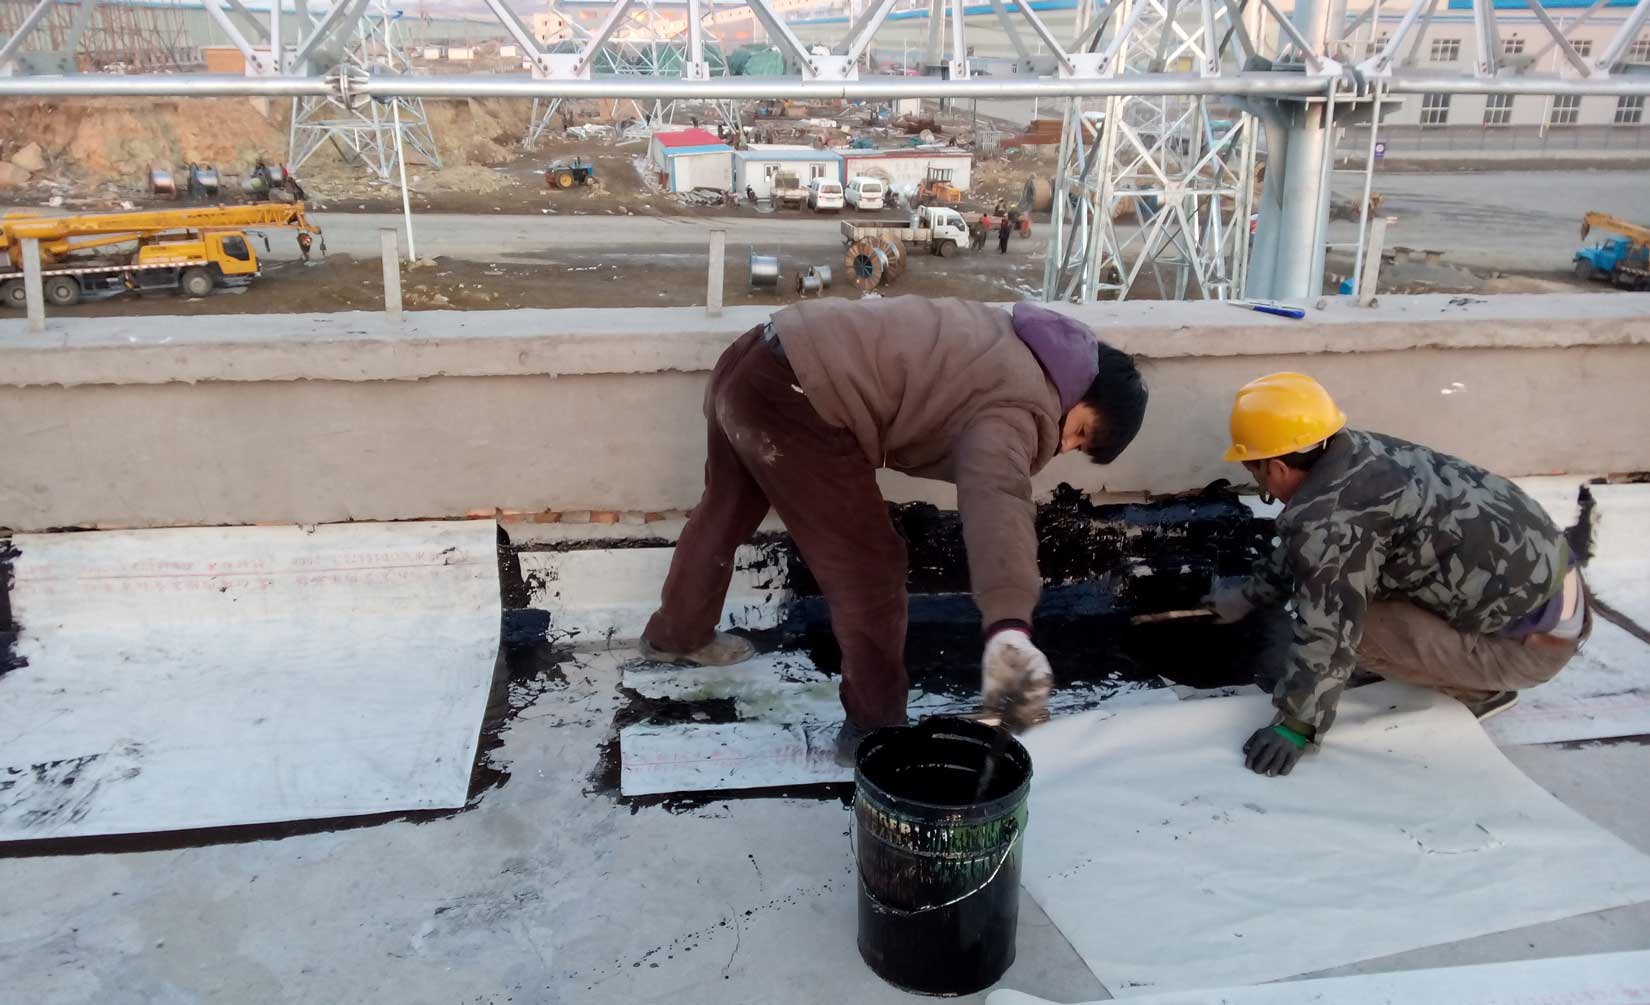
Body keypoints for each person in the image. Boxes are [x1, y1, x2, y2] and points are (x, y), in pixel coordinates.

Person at [640, 297, 1149, 762]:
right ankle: (875, 730)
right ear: (1082, 389)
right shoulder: (1022, 403)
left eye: (1078, 448)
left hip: (755, 357)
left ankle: (677, 635)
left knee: (725, 509)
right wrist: (1009, 625)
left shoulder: (1014, 338)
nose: (1064, 445)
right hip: (795, 396)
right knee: (871, 570)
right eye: (1080, 430)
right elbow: (998, 500)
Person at [1203, 372, 1590, 778]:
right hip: (1555, 592)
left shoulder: (1330, 518)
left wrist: (1296, 726)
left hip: (1532, 647)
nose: (1257, 479)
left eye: (1254, 469)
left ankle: (1480, 691)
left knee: (1351, 626)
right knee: (1344, 579)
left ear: (1277, 467)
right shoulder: (1358, 452)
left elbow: (1329, 632)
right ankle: (1453, 659)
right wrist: (1251, 594)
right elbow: (1315, 543)